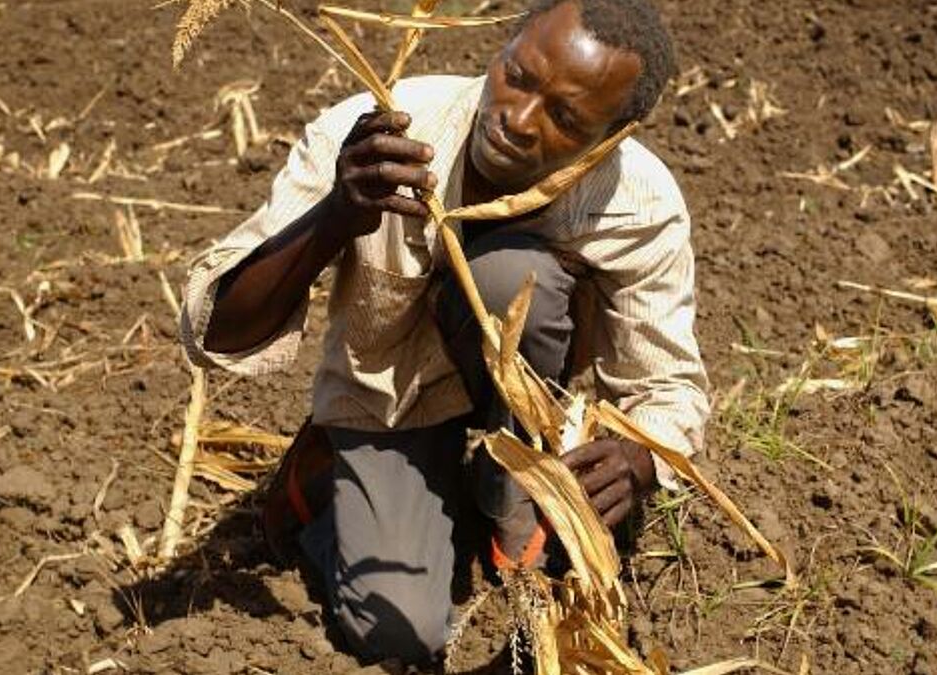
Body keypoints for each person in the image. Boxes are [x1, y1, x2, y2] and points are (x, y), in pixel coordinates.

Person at [180, 0, 710, 665]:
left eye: (566, 118)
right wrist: (336, 216)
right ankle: (322, 482)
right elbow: (217, 328)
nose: (517, 119)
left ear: (615, 135)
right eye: (517, 75)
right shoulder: (376, 132)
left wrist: (642, 458)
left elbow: (668, 384)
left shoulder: (639, 205)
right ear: (505, 44)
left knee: (516, 279)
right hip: (388, 402)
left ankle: (503, 487)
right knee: (399, 632)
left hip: (520, 409)